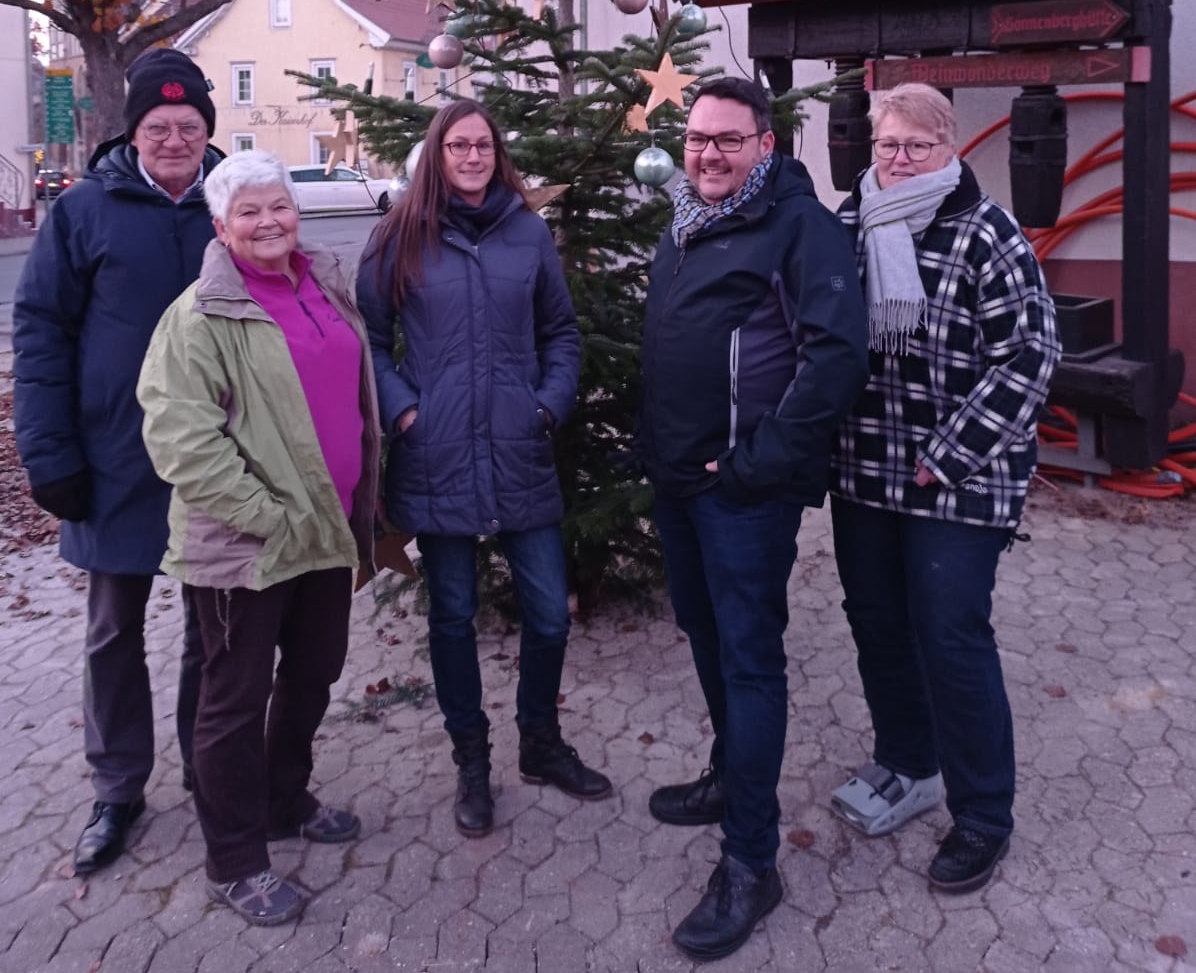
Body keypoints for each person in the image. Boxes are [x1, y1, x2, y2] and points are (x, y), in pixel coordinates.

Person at [638, 75, 870, 962]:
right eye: (698, 138)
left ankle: (752, 860)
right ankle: (729, 779)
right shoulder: (684, 229)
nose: (708, 154)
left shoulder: (797, 227)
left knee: (748, 659)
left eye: (728, 140)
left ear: (764, 146)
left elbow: (835, 358)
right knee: (703, 635)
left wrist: (758, 464)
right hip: (680, 484)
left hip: (745, 493)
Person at [136, 151, 381, 927]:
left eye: (279, 206)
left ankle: (284, 798)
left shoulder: (323, 284)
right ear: (220, 226)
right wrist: (270, 515)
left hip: (327, 532)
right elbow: (184, 443)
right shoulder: (200, 316)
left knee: (314, 673)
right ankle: (235, 860)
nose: (269, 221)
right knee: (234, 703)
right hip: (244, 547)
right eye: (250, 211)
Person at [829, 81, 1060, 894]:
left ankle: (983, 816)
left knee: (951, 636)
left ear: (949, 149)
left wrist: (951, 451)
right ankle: (907, 762)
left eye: (916, 147)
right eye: (887, 145)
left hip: (958, 477)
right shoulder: (851, 222)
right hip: (864, 469)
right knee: (877, 623)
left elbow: (1029, 356)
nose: (897, 160)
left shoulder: (985, 231)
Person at [356, 99, 609, 839]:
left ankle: (541, 744)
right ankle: (472, 760)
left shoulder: (527, 233)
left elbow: (559, 331)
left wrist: (547, 406)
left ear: (498, 155)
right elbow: (368, 340)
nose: (472, 157)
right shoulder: (398, 235)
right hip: (435, 453)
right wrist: (406, 410)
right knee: (453, 616)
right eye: (458, 146)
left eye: (484, 146)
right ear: (436, 155)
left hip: (518, 447)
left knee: (548, 614)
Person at [14, 50, 218, 874]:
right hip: (113, 458)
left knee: (217, 630)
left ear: (209, 131)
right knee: (112, 633)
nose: (175, 140)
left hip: (216, 462)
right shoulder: (86, 212)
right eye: (159, 127)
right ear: (131, 132)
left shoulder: (231, 204)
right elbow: (39, 332)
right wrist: (49, 453)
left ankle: (214, 767)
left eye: (190, 127)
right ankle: (117, 785)